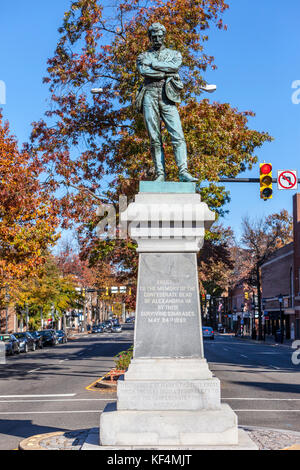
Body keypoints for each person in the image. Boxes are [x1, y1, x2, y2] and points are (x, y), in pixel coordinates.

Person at [136, 22, 197, 183]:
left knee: (177, 134)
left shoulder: (174, 54)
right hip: (149, 94)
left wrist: (155, 66)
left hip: (167, 95)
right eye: (153, 36)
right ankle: (160, 173)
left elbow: (175, 67)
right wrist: (165, 71)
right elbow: (144, 71)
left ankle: (183, 171)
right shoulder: (143, 56)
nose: (157, 39)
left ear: (164, 36)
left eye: (159, 36)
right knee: (154, 137)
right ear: (150, 38)